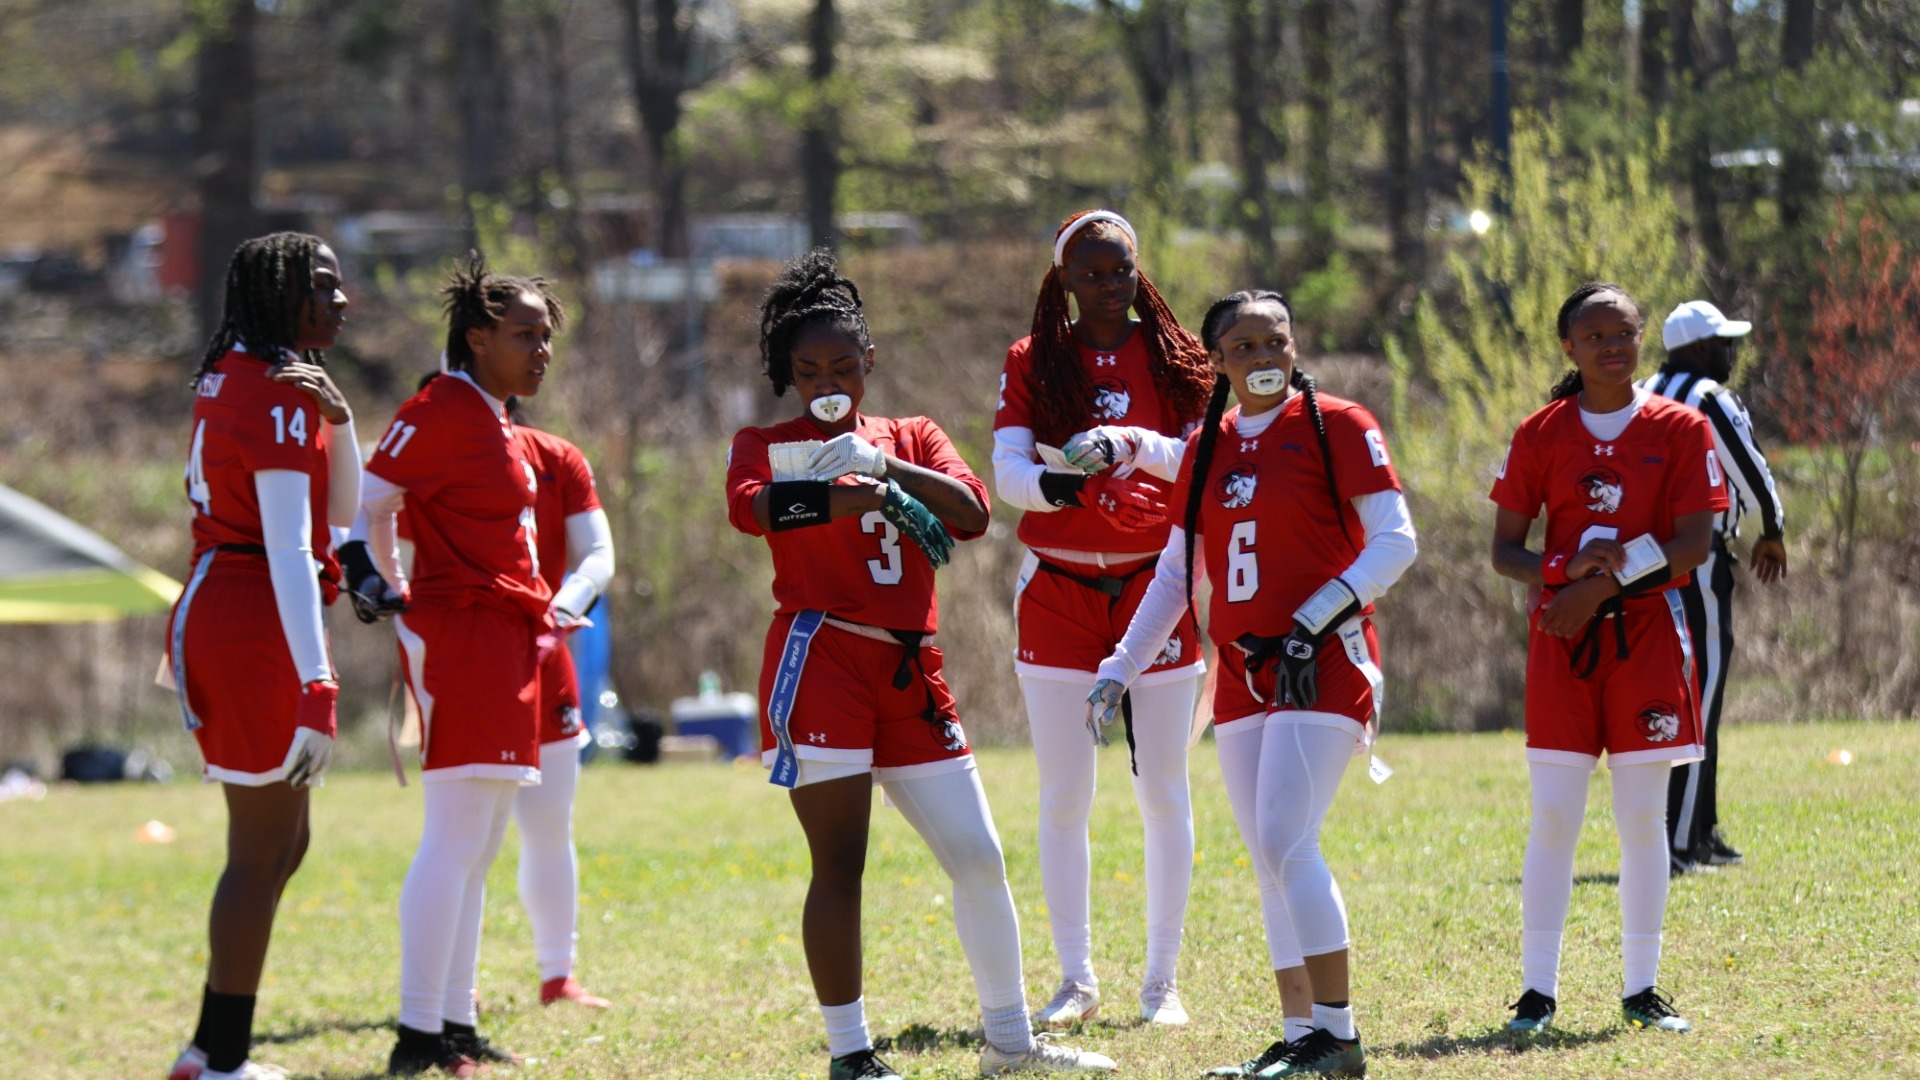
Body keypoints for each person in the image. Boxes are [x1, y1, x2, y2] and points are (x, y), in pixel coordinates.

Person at [725, 248, 1116, 1079]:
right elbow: (754, 509)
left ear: (869, 361)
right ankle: (851, 1056)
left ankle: (1009, 1046)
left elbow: (974, 511)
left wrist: (886, 469)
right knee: (841, 864)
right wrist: (843, 494)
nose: (828, 380)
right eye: (807, 368)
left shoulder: (911, 435)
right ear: (784, 372)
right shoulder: (767, 441)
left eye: (842, 364)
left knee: (978, 855)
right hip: (821, 656)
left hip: (911, 671)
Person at [1093, 289, 1414, 1079]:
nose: (1264, 359)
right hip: (1240, 670)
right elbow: (1176, 574)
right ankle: (1301, 1031)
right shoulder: (1206, 443)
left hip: (1323, 657)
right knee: (1267, 857)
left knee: (1286, 839)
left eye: (1277, 342)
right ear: (1217, 360)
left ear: (1294, 345)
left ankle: (1339, 1038)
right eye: (1245, 347)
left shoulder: (1339, 424)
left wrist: (1318, 612)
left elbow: (1396, 542)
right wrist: (1121, 664)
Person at [347, 253, 570, 1077]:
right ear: (476, 338)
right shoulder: (444, 406)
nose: (540, 350)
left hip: (505, 634)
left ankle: (454, 1021)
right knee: (453, 838)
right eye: (523, 335)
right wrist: (381, 581)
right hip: (465, 633)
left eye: (546, 337)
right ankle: (416, 1033)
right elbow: (366, 501)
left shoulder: (490, 413)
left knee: (478, 844)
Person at [991, 209, 1215, 1027]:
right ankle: (1077, 978)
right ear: (1063, 280)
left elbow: (1205, 461)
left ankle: (1162, 982)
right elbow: (1007, 470)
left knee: (1163, 789)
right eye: (1091, 272)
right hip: (1057, 590)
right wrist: (1060, 484)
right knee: (1064, 797)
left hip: (1157, 591)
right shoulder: (1032, 358)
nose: (1109, 283)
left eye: (1120, 267)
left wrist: (1129, 444)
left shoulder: (1181, 354)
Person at [1489, 282, 1728, 1037]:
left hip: (1649, 641)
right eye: (1595, 336)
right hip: (1562, 642)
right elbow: (1504, 550)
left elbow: (1695, 542)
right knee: (1554, 818)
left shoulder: (1681, 428)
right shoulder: (1539, 431)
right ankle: (1536, 991)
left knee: (1641, 820)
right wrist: (1566, 577)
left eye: (1623, 332)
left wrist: (1608, 580)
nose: (1612, 346)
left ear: (1640, 339)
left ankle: (1642, 987)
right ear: (1569, 347)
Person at [165, 232, 361, 1080]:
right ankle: (222, 1061)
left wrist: (341, 420)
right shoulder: (272, 390)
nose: (341, 298)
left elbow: (338, 514)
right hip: (251, 616)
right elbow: (289, 546)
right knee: (259, 846)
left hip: (244, 606)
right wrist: (319, 681)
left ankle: (209, 1048)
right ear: (276, 291)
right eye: (322, 284)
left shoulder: (271, 376)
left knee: (285, 842)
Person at [1640, 300, 1787, 875]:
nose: (1732, 353)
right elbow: (1750, 470)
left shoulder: (1642, 388)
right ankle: (1679, 842)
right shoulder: (1708, 397)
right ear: (1700, 349)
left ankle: (1700, 830)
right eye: (1726, 343)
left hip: (1643, 564)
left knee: (1681, 695)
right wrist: (1771, 529)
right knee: (1700, 697)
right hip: (1697, 561)